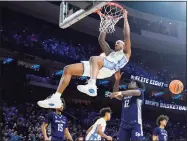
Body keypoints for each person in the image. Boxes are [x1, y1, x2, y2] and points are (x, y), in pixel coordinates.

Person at [37, 9, 131, 109]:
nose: (116, 43)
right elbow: (101, 40)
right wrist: (105, 23)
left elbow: (126, 35)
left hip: (108, 68)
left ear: (124, 45)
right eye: (116, 42)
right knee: (67, 69)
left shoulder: (126, 53)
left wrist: (125, 17)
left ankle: (92, 85)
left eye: (119, 42)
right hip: (100, 67)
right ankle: (56, 98)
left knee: (94, 58)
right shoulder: (111, 53)